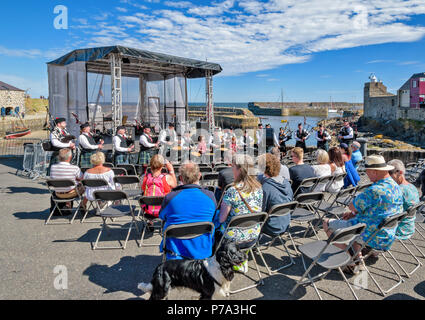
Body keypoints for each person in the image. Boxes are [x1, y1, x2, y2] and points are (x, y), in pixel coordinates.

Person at [323, 155, 403, 274]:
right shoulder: (395, 186)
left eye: (367, 172)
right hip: (386, 235)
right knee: (356, 225)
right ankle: (359, 260)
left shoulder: (374, 190)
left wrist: (353, 211)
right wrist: (354, 213)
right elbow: (377, 209)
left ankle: (350, 263)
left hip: (370, 236)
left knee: (326, 223)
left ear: (375, 172)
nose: (366, 174)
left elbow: (352, 206)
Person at [159, 162, 216, 260]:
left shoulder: (170, 197)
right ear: (199, 176)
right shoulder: (210, 196)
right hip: (203, 250)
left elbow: (162, 216)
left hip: (176, 252)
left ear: (180, 178)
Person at [218, 154, 263, 272]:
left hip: (233, 239)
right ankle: (242, 257)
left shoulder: (232, 191)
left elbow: (221, 219)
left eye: (233, 166)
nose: (231, 169)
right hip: (253, 235)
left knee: (215, 225)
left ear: (239, 169)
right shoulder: (259, 188)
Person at [257, 153, 293, 236]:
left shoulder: (265, 187)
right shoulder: (286, 182)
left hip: (271, 226)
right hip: (286, 223)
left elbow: (260, 211)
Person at [388, 159, 420, 241]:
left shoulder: (398, 190)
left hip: (398, 230)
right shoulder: (412, 187)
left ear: (400, 173)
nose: (388, 176)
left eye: (390, 172)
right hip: (409, 227)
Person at [50, 148, 84, 213]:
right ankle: (83, 204)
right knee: (85, 186)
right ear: (70, 157)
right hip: (71, 193)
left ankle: (67, 205)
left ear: (59, 157)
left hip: (58, 194)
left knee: (68, 184)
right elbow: (82, 178)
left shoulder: (53, 167)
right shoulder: (75, 168)